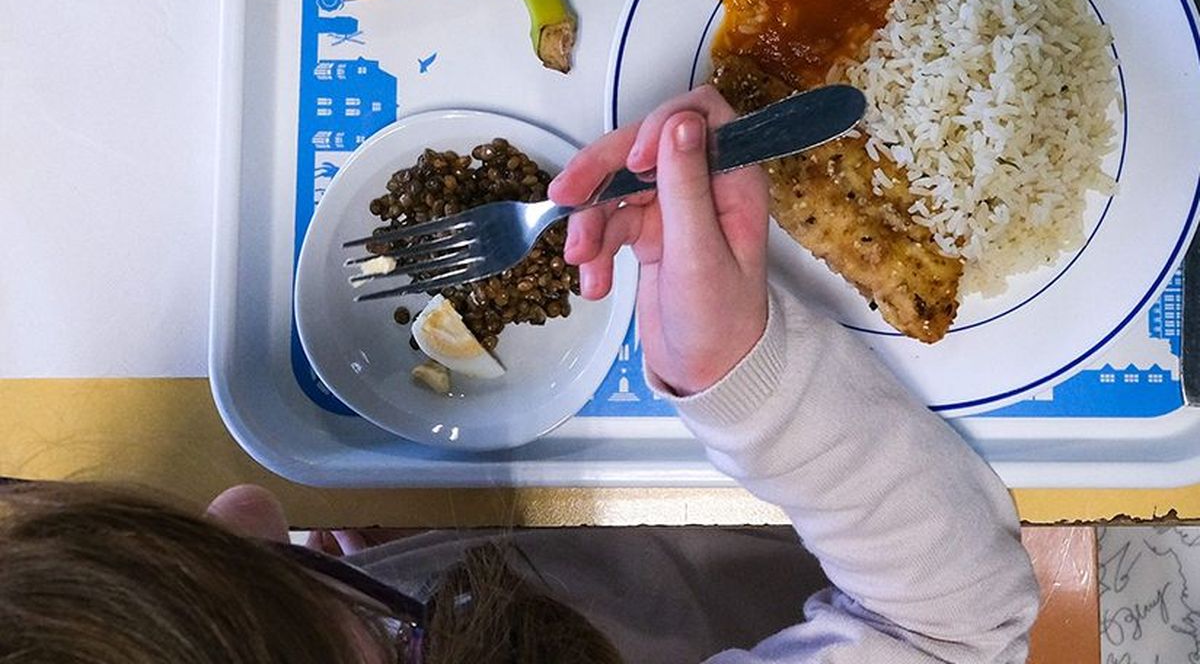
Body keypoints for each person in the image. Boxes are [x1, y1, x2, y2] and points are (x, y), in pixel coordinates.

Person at [0, 87, 1040, 663]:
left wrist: (362, 589)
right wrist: (747, 377)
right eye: (281, 579)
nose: (250, 502)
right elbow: (954, 624)